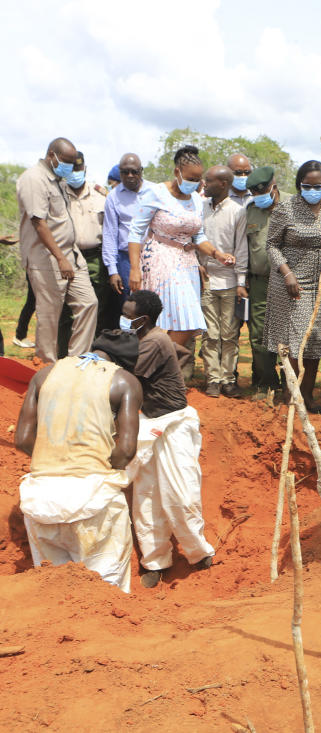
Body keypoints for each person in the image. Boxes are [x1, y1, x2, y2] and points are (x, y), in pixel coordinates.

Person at [14, 330, 143, 592]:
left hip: (41, 500)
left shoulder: (44, 375)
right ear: (127, 362)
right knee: (105, 593)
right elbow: (126, 450)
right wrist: (96, 466)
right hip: (93, 501)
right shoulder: (124, 381)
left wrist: (57, 461)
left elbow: (23, 439)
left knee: (54, 593)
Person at [122, 290, 216, 588]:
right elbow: (183, 353)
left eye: (127, 316)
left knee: (179, 493)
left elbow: (126, 377)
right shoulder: (150, 339)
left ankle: (198, 553)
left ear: (144, 319)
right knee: (146, 496)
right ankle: (154, 561)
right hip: (149, 422)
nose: (123, 320)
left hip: (173, 423)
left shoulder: (154, 341)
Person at [127, 145, 236, 352]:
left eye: (198, 179)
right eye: (191, 178)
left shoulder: (196, 199)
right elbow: (135, 232)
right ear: (177, 172)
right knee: (164, 318)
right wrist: (134, 268)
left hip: (187, 263)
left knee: (186, 320)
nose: (195, 183)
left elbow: (199, 235)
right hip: (160, 259)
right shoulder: (156, 193)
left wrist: (217, 254)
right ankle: (151, 364)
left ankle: (158, 363)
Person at [264, 160, 321, 413]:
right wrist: (287, 274)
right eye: (308, 186)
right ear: (299, 185)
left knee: (316, 340)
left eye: (319, 186)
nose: (314, 190)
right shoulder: (286, 208)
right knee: (297, 341)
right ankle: (292, 394)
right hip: (291, 282)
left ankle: (308, 395)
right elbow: (272, 245)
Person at [15, 137, 98, 363]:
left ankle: (75, 362)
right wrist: (60, 258)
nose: (70, 168)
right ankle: (46, 367)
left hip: (71, 255)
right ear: (51, 154)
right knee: (50, 314)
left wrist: (67, 256)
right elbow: (38, 222)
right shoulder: (34, 178)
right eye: (66, 161)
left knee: (88, 302)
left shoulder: (58, 179)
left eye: (73, 163)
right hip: (48, 259)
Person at [199, 165, 248, 398]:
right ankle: (212, 379)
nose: (204, 184)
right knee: (210, 333)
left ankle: (228, 379)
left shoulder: (238, 212)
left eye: (208, 181)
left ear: (223, 184)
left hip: (229, 281)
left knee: (229, 334)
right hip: (206, 279)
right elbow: (195, 240)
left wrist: (241, 281)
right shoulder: (200, 209)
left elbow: (241, 248)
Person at [244, 166, 288, 396]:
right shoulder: (249, 211)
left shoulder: (295, 205)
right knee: (259, 333)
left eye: (263, 192)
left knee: (289, 332)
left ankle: (290, 382)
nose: (259, 198)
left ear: (274, 186)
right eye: (255, 194)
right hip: (260, 282)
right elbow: (244, 247)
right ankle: (267, 383)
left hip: (290, 281)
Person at [62, 150, 110, 341]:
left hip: (94, 258)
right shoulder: (58, 194)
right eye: (72, 168)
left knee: (95, 307)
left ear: (85, 169)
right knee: (66, 310)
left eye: (79, 168)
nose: (76, 172)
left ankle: (89, 354)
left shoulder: (100, 196)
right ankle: (64, 354)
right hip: (66, 257)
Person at [102, 153, 147, 330]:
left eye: (134, 172)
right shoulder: (113, 197)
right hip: (125, 260)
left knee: (152, 305)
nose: (129, 176)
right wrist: (113, 271)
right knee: (130, 308)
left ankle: (151, 350)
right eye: (124, 172)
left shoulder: (155, 192)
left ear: (141, 171)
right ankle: (130, 351)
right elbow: (110, 234)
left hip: (152, 258)